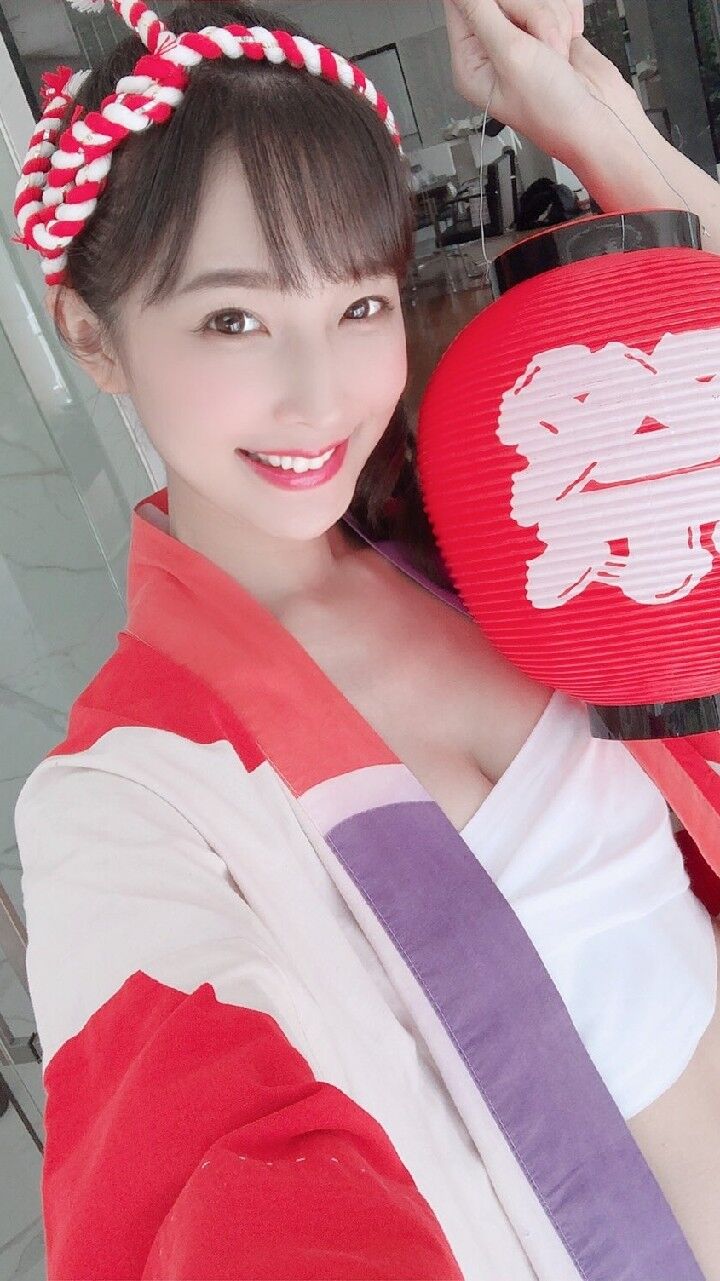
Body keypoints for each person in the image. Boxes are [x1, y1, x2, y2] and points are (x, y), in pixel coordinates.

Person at [10, 1, 720, 1277]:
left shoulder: (500, 522)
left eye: (359, 305)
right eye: (234, 320)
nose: (320, 395)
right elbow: (204, 1183)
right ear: (90, 336)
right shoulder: (131, 798)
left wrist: (574, 110)